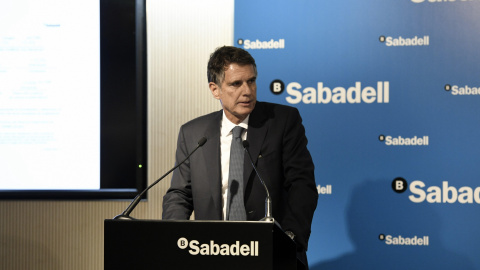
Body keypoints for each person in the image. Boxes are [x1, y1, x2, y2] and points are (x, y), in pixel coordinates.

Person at [162, 46, 318, 269]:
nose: (247, 91)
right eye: (236, 84)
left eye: (251, 81)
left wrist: (289, 238)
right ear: (215, 90)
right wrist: (175, 239)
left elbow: (302, 186)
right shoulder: (193, 133)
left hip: (270, 253)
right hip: (211, 253)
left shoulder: (283, 122)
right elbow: (179, 194)